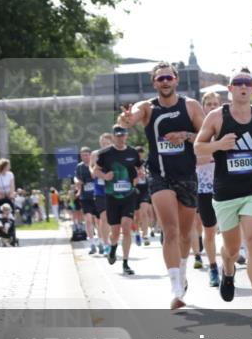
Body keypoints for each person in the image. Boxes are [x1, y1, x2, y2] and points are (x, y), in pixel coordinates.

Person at [118, 61, 206, 310]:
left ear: (176, 80)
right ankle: (175, 287)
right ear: (154, 83)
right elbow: (129, 118)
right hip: (159, 174)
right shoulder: (147, 107)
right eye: (160, 79)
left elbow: (205, 135)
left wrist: (185, 136)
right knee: (171, 230)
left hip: (187, 175)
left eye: (168, 77)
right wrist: (125, 119)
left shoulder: (190, 106)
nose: (165, 82)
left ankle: (183, 271)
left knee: (187, 235)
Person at [195, 67, 252, 321]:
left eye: (248, 82)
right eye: (238, 83)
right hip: (225, 193)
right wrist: (219, 145)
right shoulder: (216, 116)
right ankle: (228, 269)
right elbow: (198, 148)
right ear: (230, 89)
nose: (243, 86)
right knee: (231, 249)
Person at [94, 125, 142, 275]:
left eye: (123, 135)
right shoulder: (105, 154)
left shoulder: (133, 152)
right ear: (113, 137)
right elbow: (96, 170)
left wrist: (138, 176)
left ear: (126, 136)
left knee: (126, 228)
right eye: (118, 135)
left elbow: (140, 168)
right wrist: (104, 176)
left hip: (128, 196)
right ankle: (113, 248)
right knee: (115, 232)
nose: (121, 138)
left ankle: (126, 263)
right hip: (112, 197)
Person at [196, 92, 222, 288]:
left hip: (227, 184)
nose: (212, 107)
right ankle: (213, 267)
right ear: (203, 107)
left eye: (216, 103)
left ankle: (233, 256)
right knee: (210, 230)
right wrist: (217, 150)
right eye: (209, 104)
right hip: (204, 187)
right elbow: (195, 158)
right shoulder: (198, 131)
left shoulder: (226, 126)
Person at [73, 147, 100, 254]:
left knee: (98, 221)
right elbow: (75, 177)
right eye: (83, 155)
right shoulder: (79, 167)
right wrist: (77, 182)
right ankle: (92, 243)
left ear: (90, 155)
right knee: (88, 220)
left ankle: (101, 241)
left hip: (97, 196)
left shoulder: (96, 164)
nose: (85, 157)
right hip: (85, 197)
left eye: (87, 155)